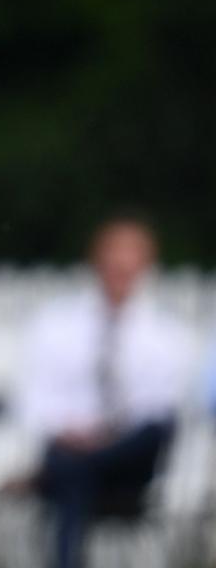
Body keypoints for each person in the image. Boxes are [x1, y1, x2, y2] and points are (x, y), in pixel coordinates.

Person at [15, 213, 192, 568]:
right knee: (72, 470)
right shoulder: (56, 325)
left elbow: (161, 410)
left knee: (76, 467)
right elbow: (33, 402)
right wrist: (75, 432)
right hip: (71, 452)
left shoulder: (169, 335)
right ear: (96, 263)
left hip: (130, 459)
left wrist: (102, 439)